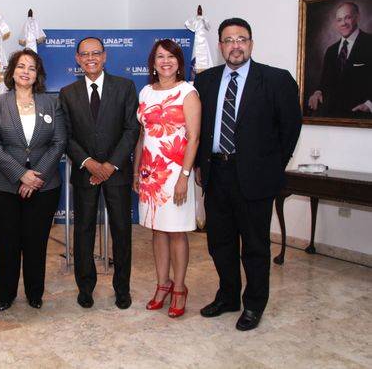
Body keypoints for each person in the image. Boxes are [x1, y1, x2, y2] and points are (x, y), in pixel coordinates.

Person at [194, 18, 302, 331]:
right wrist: (201, 164)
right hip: (216, 174)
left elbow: (290, 129)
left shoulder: (276, 79)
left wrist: (270, 166)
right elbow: (200, 129)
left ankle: (254, 304)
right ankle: (228, 296)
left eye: (242, 39)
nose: (235, 45)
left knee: (254, 246)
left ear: (251, 44)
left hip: (255, 178)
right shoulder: (206, 81)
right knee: (220, 243)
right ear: (220, 46)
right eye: (229, 40)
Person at [0, 49, 66, 311]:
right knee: (5, 244)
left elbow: (59, 141)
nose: (25, 71)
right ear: (12, 72)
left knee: (36, 242)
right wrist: (21, 175)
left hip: (44, 186)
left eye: (31, 67)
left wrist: (35, 175)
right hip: (2, 186)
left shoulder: (51, 103)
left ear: (38, 74)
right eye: (21, 66)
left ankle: (34, 293)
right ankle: (5, 295)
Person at [60, 37, 140, 309]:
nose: (91, 58)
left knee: (121, 231)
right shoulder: (67, 93)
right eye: (85, 54)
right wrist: (89, 163)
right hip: (85, 173)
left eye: (96, 53)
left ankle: (122, 289)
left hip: (117, 173)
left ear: (105, 57)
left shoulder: (125, 87)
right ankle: (85, 288)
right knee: (83, 231)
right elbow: (66, 136)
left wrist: (110, 165)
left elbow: (132, 130)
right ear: (77, 59)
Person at [133, 39, 200, 318]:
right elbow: (142, 136)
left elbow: (194, 138)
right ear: (153, 62)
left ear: (179, 62)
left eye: (171, 56)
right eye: (160, 56)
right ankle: (163, 284)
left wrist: (184, 177)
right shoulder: (146, 92)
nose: (166, 61)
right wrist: (137, 171)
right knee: (157, 230)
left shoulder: (188, 92)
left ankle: (180, 288)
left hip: (176, 172)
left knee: (176, 232)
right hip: (150, 174)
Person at [308, 2, 372, 118]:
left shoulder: (370, 43)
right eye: (339, 20)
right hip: (332, 118)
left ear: (357, 17)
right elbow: (324, 83)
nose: (343, 23)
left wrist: (369, 105)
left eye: (347, 17)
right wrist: (318, 92)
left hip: (362, 118)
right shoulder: (331, 51)